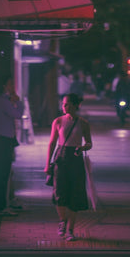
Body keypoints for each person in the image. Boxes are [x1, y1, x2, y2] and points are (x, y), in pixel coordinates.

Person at [44, 93, 92, 241]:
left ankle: (70, 230)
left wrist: (82, 147)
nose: (64, 107)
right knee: (59, 192)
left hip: (76, 159)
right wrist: (47, 164)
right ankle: (62, 221)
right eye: (63, 104)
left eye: (68, 104)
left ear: (76, 105)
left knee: (75, 194)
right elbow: (52, 143)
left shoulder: (83, 123)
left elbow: (90, 143)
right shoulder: (58, 121)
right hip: (61, 158)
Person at [0, 76, 24, 216]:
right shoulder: (3, 102)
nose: (13, 86)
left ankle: (1, 205)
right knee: (2, 174)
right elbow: (17, 114)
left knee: (1, 174)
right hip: (3, 141)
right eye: (11, 84)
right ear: (5, 86)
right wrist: (19, 102)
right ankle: (0, 207)